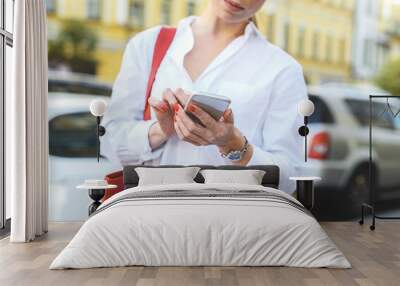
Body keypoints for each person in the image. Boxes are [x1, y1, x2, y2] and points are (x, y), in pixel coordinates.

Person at [100, 0, 308, 193]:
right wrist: (160, 131)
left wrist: (233, 145)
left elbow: (290, 178)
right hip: (153, 217)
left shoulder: (282, 69)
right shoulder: (148, 45)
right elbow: (108, 141)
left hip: (235, 222)